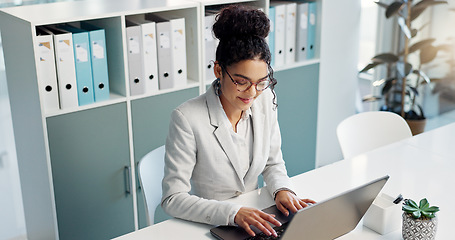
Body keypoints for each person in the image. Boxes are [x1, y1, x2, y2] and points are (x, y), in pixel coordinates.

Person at [161, 5, 315, 237]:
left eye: (261, 82)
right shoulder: (187, 118)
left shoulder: (266, 100)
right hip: (211, 224)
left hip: (256, 217)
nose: (252, 93)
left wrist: (282, 190)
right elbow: (173, 198)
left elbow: (273, 163)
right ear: (218, 71)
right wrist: (233, 213)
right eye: (241, 81)